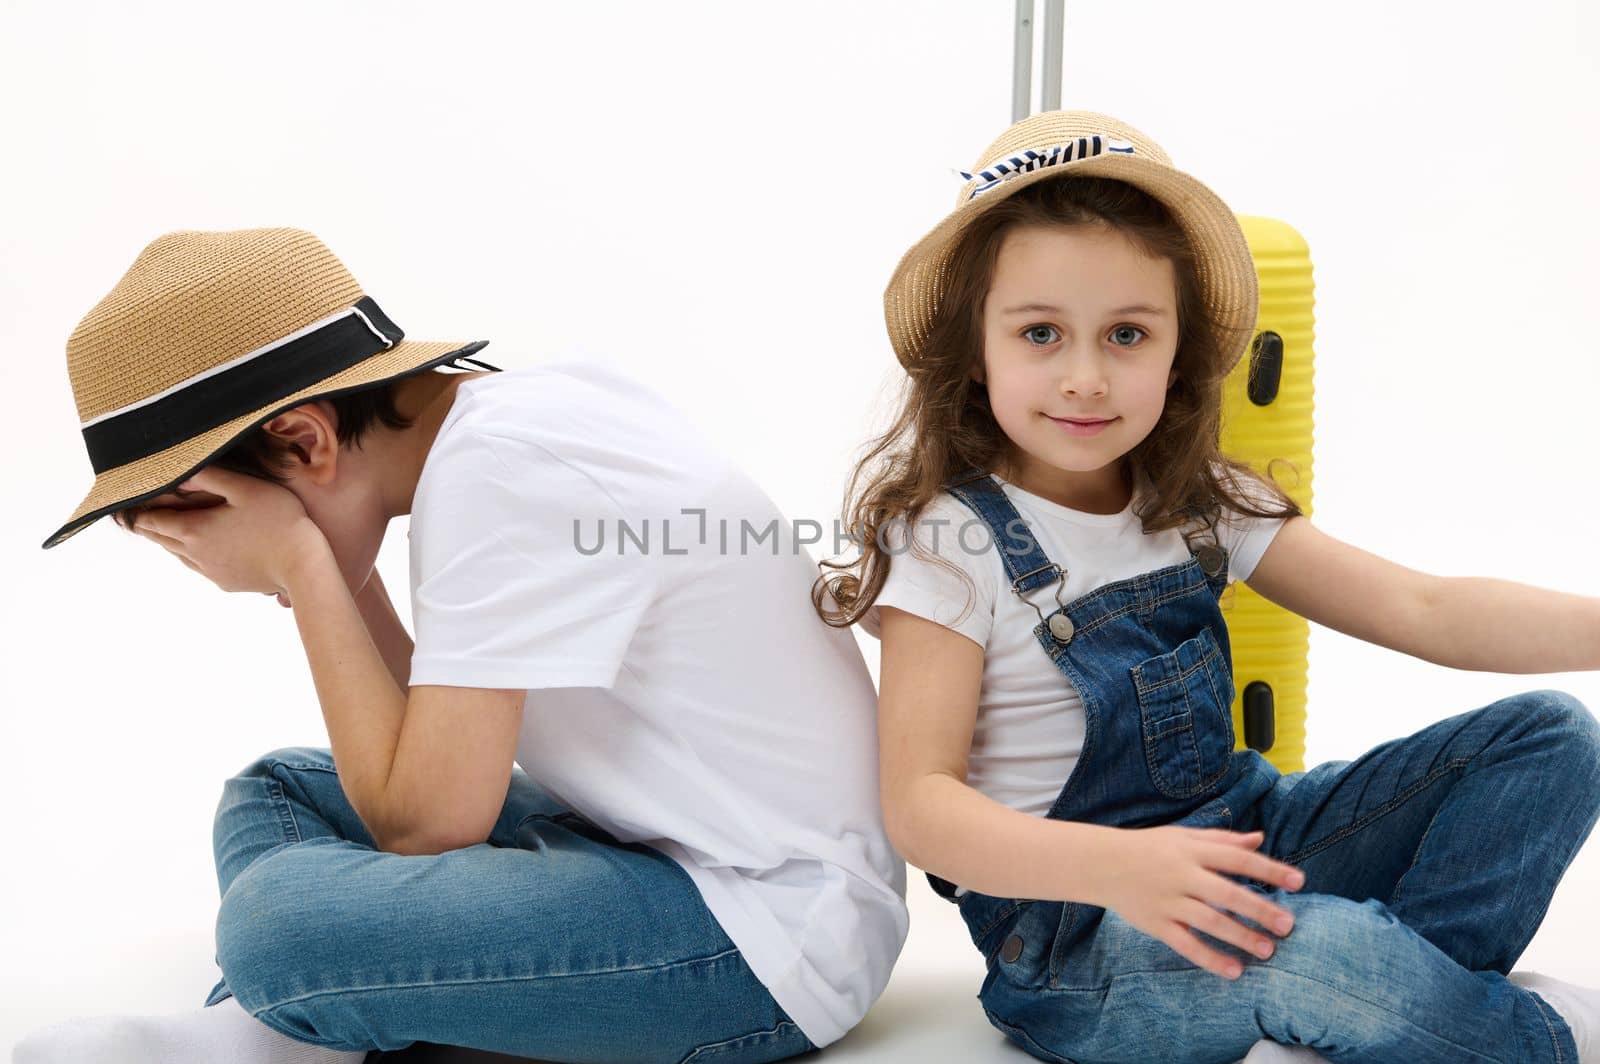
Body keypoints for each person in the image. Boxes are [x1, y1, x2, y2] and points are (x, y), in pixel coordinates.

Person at [813, 109, 1600, 1063]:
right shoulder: (947, 539)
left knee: (1552, 737)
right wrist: (1123, 868)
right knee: (1324, 951)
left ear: (1180, 350)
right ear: (972, 350)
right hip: (1080, 937)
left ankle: (1387, 1006)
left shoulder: (1197, 499)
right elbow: (922, 808)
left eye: (1128, 334)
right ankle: (1521, 1036)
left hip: (1247, 837)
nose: (1086, 378)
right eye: (1041, 333)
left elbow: (1419, 607)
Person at [17, 227, 907, 1064]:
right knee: (278, 789)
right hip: (640, 840)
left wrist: (300, 557)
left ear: (303, 438)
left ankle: (280, 1025)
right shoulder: (506, 425)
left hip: (760, 939)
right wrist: (316, 558)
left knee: (275, 927)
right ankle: (295, 1028)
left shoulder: (502, 475)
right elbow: (430, 744)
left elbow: (425, 825)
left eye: (206, 512)